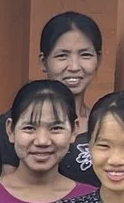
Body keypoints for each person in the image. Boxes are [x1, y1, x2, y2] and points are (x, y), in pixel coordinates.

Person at [37, 10, 107, 183]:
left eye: (85, 55)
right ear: (43, 62)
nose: (74, 67)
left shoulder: (106, 124)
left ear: (99, 59)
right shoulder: (18, 125)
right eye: (62, 56)